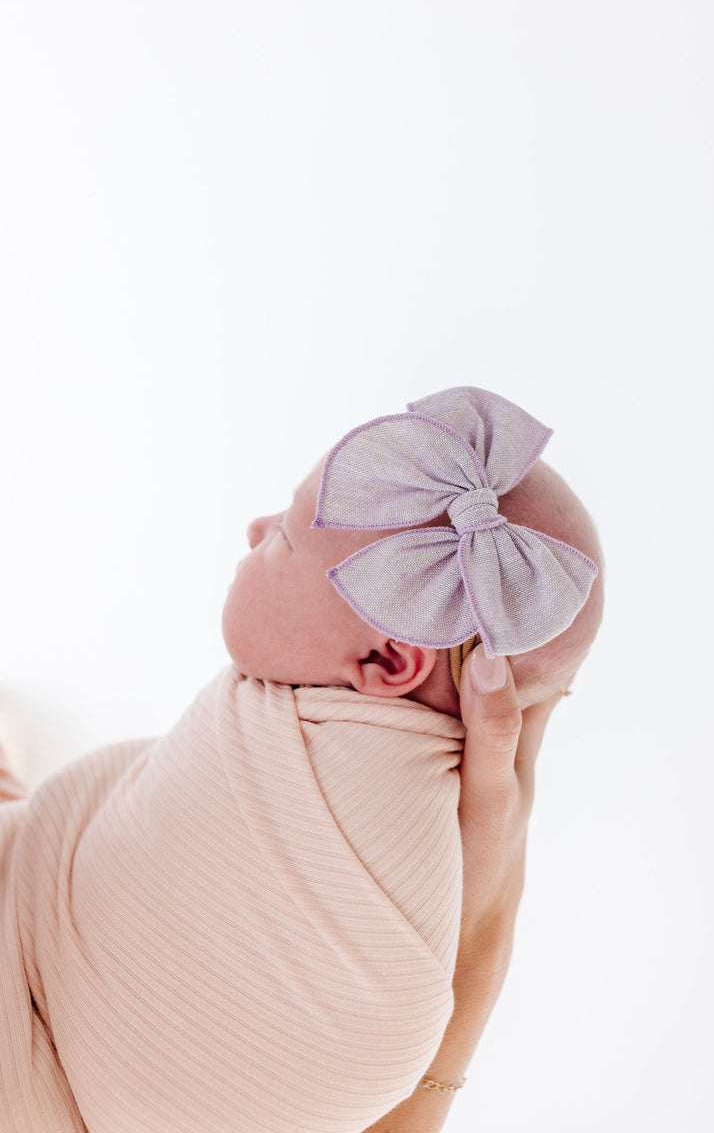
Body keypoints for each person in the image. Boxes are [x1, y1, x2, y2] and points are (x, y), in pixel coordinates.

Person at [0, 386, 603, 1131]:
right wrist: (481, 946)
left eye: (285, 535)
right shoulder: (445, 851)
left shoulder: (322, 765)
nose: (254, 531)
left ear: (386, 661)